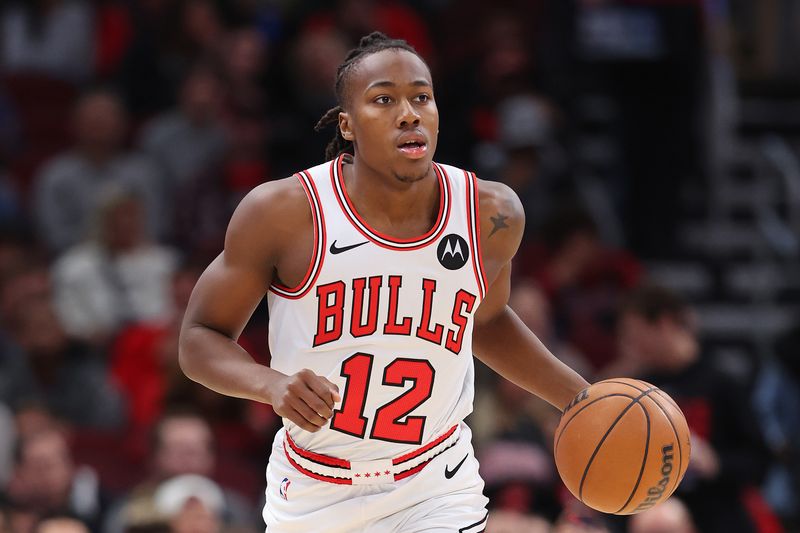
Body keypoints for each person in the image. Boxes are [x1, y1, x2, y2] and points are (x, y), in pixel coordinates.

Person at [178, 32, 588, 532]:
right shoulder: (284, 213)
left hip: (436, 484)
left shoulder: (490, 212)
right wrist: (271, 385)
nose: (409, 113)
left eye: (421, 96)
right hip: (315, 490)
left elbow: (485, 319)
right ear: (347, 125)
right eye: (384, 99)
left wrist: (582, 399)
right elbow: (199, 338)